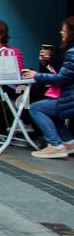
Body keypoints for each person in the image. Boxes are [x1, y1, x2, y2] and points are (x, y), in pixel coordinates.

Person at [23, 17, 74, 158]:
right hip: (68, 96)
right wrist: (46, 63)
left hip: (70, 97)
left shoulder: (71, 52)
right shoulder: (66, 51)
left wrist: (36, 75)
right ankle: (69, 142)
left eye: (64, 29)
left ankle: (55, 145)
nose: (61, 32)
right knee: (51, 110)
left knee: (36, 107)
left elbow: (61, 78)